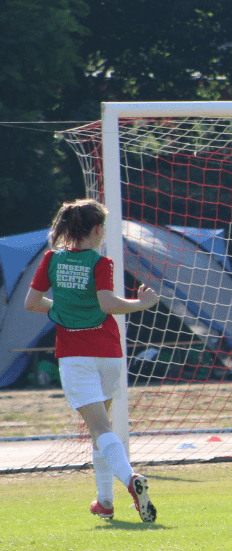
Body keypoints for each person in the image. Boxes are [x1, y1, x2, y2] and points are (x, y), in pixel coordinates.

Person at [24, 199, 160, 522]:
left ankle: (130, 479)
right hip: (109, 354)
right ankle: (105, 502)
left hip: (76, 356)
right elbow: (108, 304)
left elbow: (31, 302)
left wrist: (61, 309)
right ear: (97, 229)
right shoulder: (101, 262)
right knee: (103, 428)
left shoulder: (51, 259)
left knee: (100, 427)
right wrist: (142, 303)